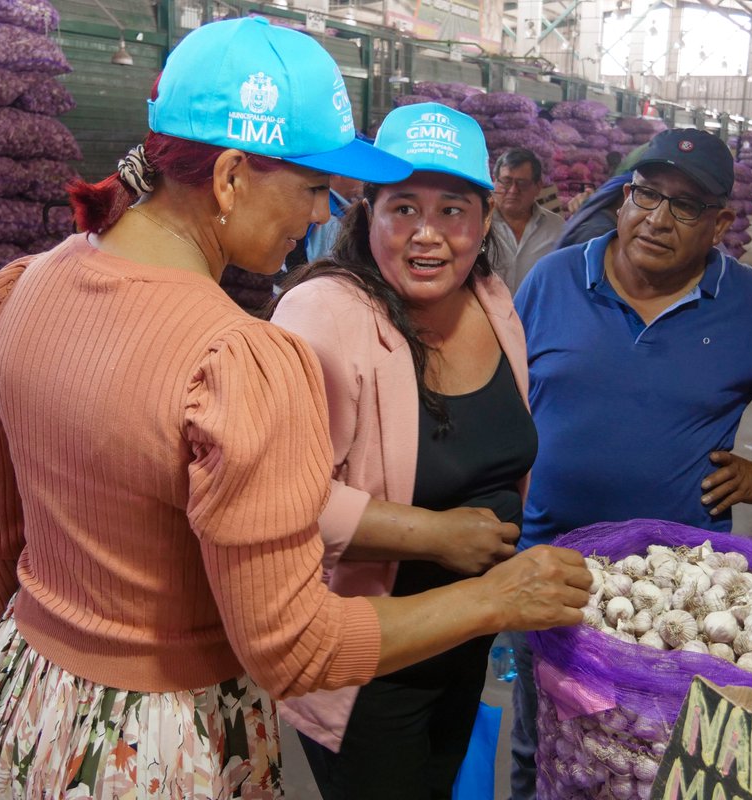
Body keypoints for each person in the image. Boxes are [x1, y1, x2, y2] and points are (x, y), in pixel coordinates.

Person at [0, 20, 591, 798]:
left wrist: (54, 637)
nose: (320, 214)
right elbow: (295, 651)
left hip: (28, 700)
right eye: (315, 188)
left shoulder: (25, 287)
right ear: (228, 178)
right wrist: (497, 596)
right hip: (153, 742)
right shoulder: (234, 359)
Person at [506, 128, 752, 799]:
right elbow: (505, 389)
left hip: (674, 595)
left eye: (686, 206)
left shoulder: (749, 305)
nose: (656, 218)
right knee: (542, 742)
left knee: (654, 756)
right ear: (623, 197)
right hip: (549, 568)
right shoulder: (553, 279)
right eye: (645, 194)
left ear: (721, 222)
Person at [269, 101, 533, 800]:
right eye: (403, 208)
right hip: (370, 663)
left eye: (452, 210)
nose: (428, 235)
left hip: (466, 636)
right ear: (366, 214)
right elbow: (273, 498)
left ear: (484, 219)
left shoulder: (492, 299)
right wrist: (437, 536)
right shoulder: (325, 313)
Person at [489, 148, 565, 294]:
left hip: (536, 315)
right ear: (494, 182)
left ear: (538, 187)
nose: (513, 190)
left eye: (522, 183)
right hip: (484, 316)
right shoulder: (478, 224)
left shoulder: (557, 228)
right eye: (506, 182)